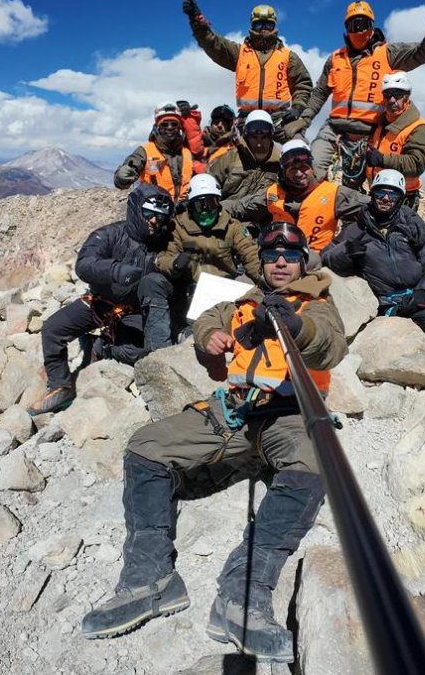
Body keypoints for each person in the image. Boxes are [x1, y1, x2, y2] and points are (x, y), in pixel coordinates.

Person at [81, 222, 345, 664]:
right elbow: (208, 318)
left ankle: (243, 592)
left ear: (303, 262)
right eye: (272, 254)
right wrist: (209, 337)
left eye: (290, 255)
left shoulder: (316, 303)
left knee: (316, 464)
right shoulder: (244, 301)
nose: (281, 261)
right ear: (262, 261)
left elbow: (329, 347)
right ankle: (150, 578)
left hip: (291, 414)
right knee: (146, 446)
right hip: (237, 410)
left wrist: (294, 325)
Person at [322, 169, 425, 398]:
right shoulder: (357, 228)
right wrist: (347, 251)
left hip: (416, 298)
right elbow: (327, 256)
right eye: (381, 193)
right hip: (387, 304)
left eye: (393, 194)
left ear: (401, 197)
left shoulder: (411, 224)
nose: (386, 198)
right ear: (372, 194)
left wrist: (424, 293)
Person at [29, 185, 175, 415]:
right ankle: (60, 387)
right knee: (53, 329)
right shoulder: (109, 234)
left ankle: (102, 348)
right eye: (149, 214)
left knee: (143, 351)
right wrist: (116, 270)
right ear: (135, 210)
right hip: (100, 303)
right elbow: (84, 264)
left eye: (160, 216)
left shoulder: (165, 243)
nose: (154, 221)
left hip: (136, 310)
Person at [301, 0, 425, 175]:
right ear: (346, 28)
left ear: (372, 27)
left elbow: (424, 52)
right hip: (334, 129)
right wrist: (304, 119)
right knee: (310, 172)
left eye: (364, 24)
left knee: (366, 183)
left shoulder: (389, 53)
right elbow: (319, 93)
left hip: (372, 133)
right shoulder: (335, 58)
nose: (359, 30)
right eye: (354, 25)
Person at [145, 174, 262, 351]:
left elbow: (250, 254)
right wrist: (175, 263)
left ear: (219, 202)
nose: (206, 209)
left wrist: (265, 279)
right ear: (191, 205)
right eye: (200, 204)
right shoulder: (177, 227)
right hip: (187, 290)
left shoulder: (233, 226)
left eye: (212, 203)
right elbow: (163, 258)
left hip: (224, 289)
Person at [182, 0, 312, 141]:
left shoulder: (288, 56)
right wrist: (196, 19)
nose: (263, 29)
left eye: (268, 24)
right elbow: (212, 42)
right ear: (252, 26)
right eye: (259, 24)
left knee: (299, 147)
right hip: (246, 120)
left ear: (274, 26)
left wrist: (297, 108)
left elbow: (303, 84)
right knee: (230, 152)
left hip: (279, 119)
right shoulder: (239, 53)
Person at [228, 139, 366, 252]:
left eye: (304, 167)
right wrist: (215, 206)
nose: (299, 174)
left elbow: (372, 208)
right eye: (293, 169)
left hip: (318, 264)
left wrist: (340, 243)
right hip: (278, 260)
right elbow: (238, 207)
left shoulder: (333, 193)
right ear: (283, 172)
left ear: (311, 168)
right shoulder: (272, 194)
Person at [365, 72, 425, 209]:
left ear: (407, 97)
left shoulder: (419, 128)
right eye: (387, 95)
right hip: (378, 194)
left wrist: (382, 159)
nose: (392, 100)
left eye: (398, 94)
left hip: (402, 199)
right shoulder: (380, 123)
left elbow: (417, 164)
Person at [114, 103, 196, 201]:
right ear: (157, 126)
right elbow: (122, 180)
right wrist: (122, 177)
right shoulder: (145, 151)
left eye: (174, 124)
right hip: (154, 207)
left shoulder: (187, 153)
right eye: (165, 124)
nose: (170, 127)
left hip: (185, 207)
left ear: (180, 127)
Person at [208, 109, 281, 207]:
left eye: (264, 137)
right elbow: (206, 185)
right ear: (246, 137)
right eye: (254, 137)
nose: (259, 144)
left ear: (271, 137)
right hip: (227, 214)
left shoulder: (281, 166)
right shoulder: (230, 158)